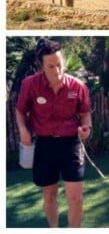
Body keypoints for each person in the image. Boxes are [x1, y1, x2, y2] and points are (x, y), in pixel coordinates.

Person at [16, 38, 92, 228]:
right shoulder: (30, 85)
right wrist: (23, 130)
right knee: (49, 195)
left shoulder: (77, 86)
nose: (57, 71)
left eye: (59, 65)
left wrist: (86, 129)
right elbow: (20, 111)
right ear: (41, 66)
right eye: (51, 66)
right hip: (44, 144)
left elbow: (85, 114)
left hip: (71, 144)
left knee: (76, 197)